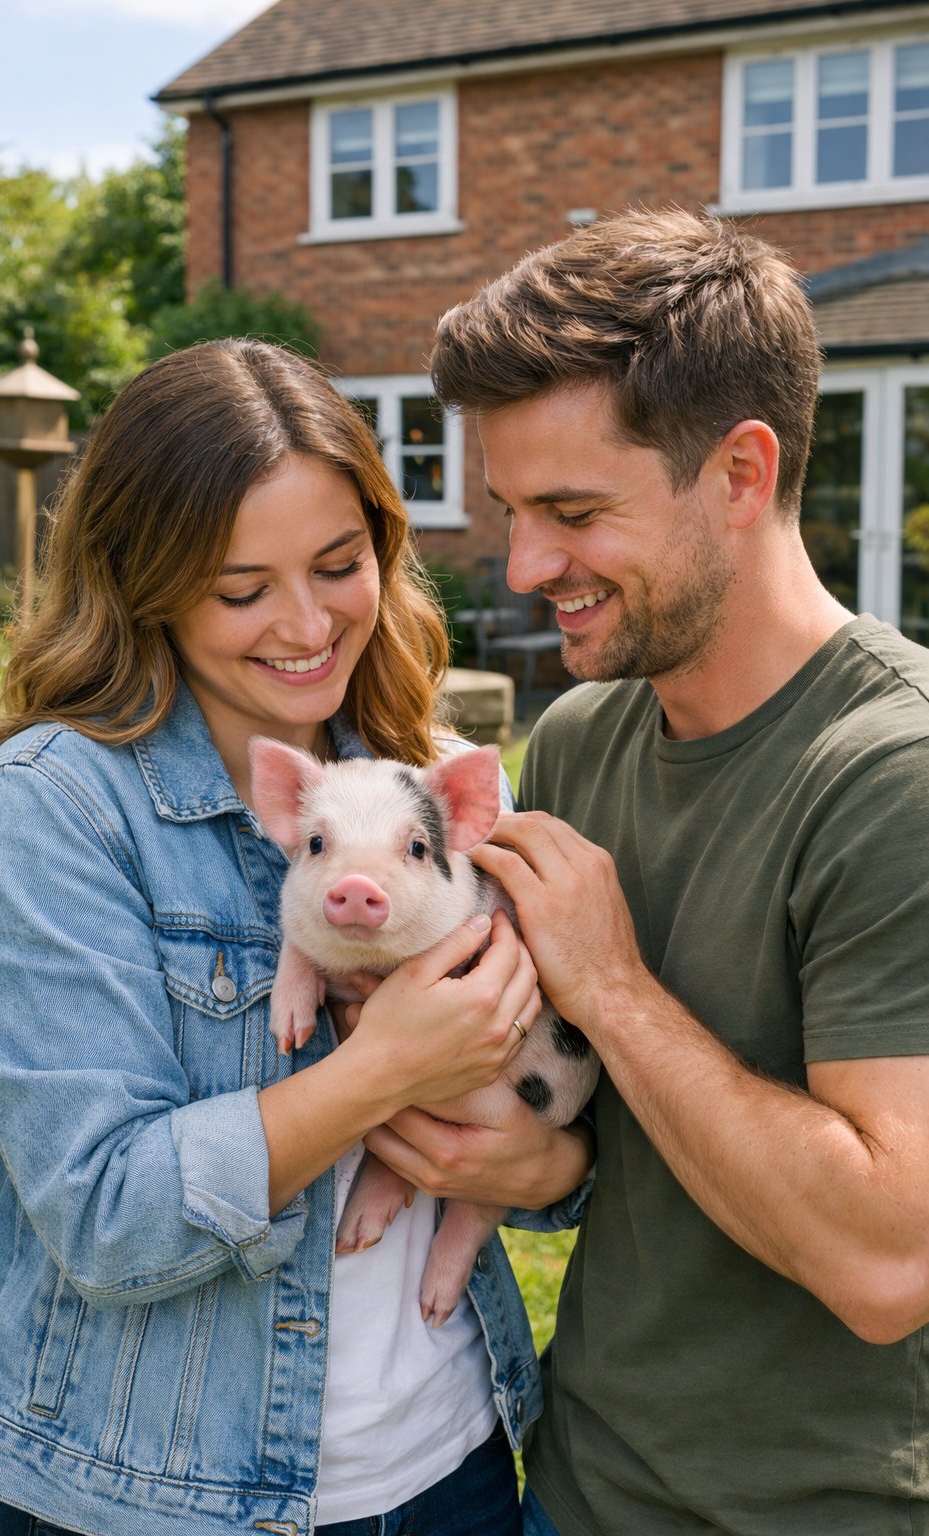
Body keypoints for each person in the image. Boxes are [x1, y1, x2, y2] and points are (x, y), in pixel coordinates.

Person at [0, 338, 593, 1536]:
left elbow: (553, 1110)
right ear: (144, 581)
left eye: (339, 565)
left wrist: (546, 1167)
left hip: (448, 1456)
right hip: (153, 1496)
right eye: (241, 589)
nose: (304, 625)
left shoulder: (424, 784)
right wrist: (386, 1067)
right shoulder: (59, 806)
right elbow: (102, 1216)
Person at [362, 209, 929, 1535]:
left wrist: (613, 985)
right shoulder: (581, 737)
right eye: (512, 511)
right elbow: (595, 1147)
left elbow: (886, 1258)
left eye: (572, 512)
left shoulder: (894, 777)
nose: (524, 568)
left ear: (739, 472)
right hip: (577, 1482)